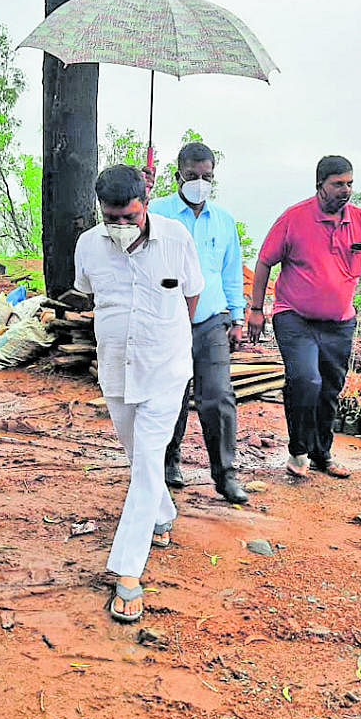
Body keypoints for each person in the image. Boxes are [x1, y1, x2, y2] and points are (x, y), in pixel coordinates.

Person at [74, 165, 203, 622]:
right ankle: (162, 515)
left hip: (165, 367)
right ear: (100, 210)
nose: (122, 225)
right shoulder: (89, 244)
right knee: (137, 456)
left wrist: (165, 334)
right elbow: (90, 294)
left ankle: (128, 571)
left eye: (130, 215)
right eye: (113, 217)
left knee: (148, 458)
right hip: (115, 368)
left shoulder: (175, 239)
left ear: (144, 203)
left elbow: (192, 296)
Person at [248, 155, 361, 479]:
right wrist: (255, 310)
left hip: (339, 322)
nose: (345, 190)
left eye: (349, 183)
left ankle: (321, 454)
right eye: (338, 184)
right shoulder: (294, 218)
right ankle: (298, 451)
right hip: (295, 316)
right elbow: (264, 262)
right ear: (320, 184)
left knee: (329, 389)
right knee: (305, 380)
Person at [147, 142, 248, 504]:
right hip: (167, 319)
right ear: (178, 176)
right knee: (170, 395)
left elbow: (230, 272)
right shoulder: (155, 213)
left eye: (206, 177)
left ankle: (225, 476)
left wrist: (237, 317)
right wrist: (139, 199)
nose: (199, 182)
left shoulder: (223, 220)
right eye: (192, 176)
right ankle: (168, 462)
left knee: (218, 397)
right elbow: (128, 243)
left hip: (211, 320)